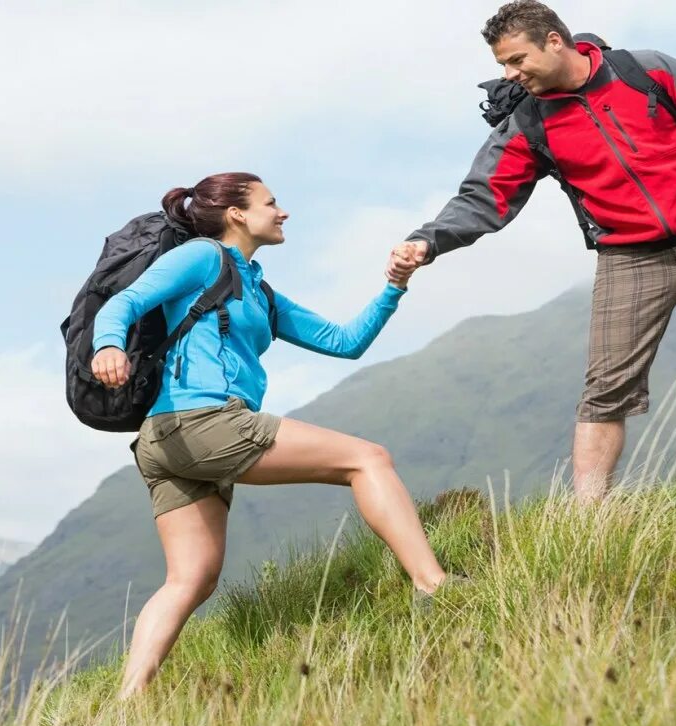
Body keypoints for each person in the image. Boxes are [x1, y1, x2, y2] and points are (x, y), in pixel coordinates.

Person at [387, 1, 676, 501]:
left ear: (554, 41)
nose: (510, 74)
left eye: (517, 60)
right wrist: (428, 239)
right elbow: (485, 197)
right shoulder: (527, 121)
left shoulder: (647, 71)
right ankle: (590, 517)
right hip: (629, 259)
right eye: (502, 65)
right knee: (605, 393)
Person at [92, 172, 451, 697]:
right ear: (237, 214)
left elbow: (343, 342)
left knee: (190, 579)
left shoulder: (256, 287)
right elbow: (124, 303)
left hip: (172, 443)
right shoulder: (201, 257)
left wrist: (394, 286)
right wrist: (108, 346)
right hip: (203, 422)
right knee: (368, 459)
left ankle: (127, 705)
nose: (282, 212)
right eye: (271, 202)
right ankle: (433, 585)